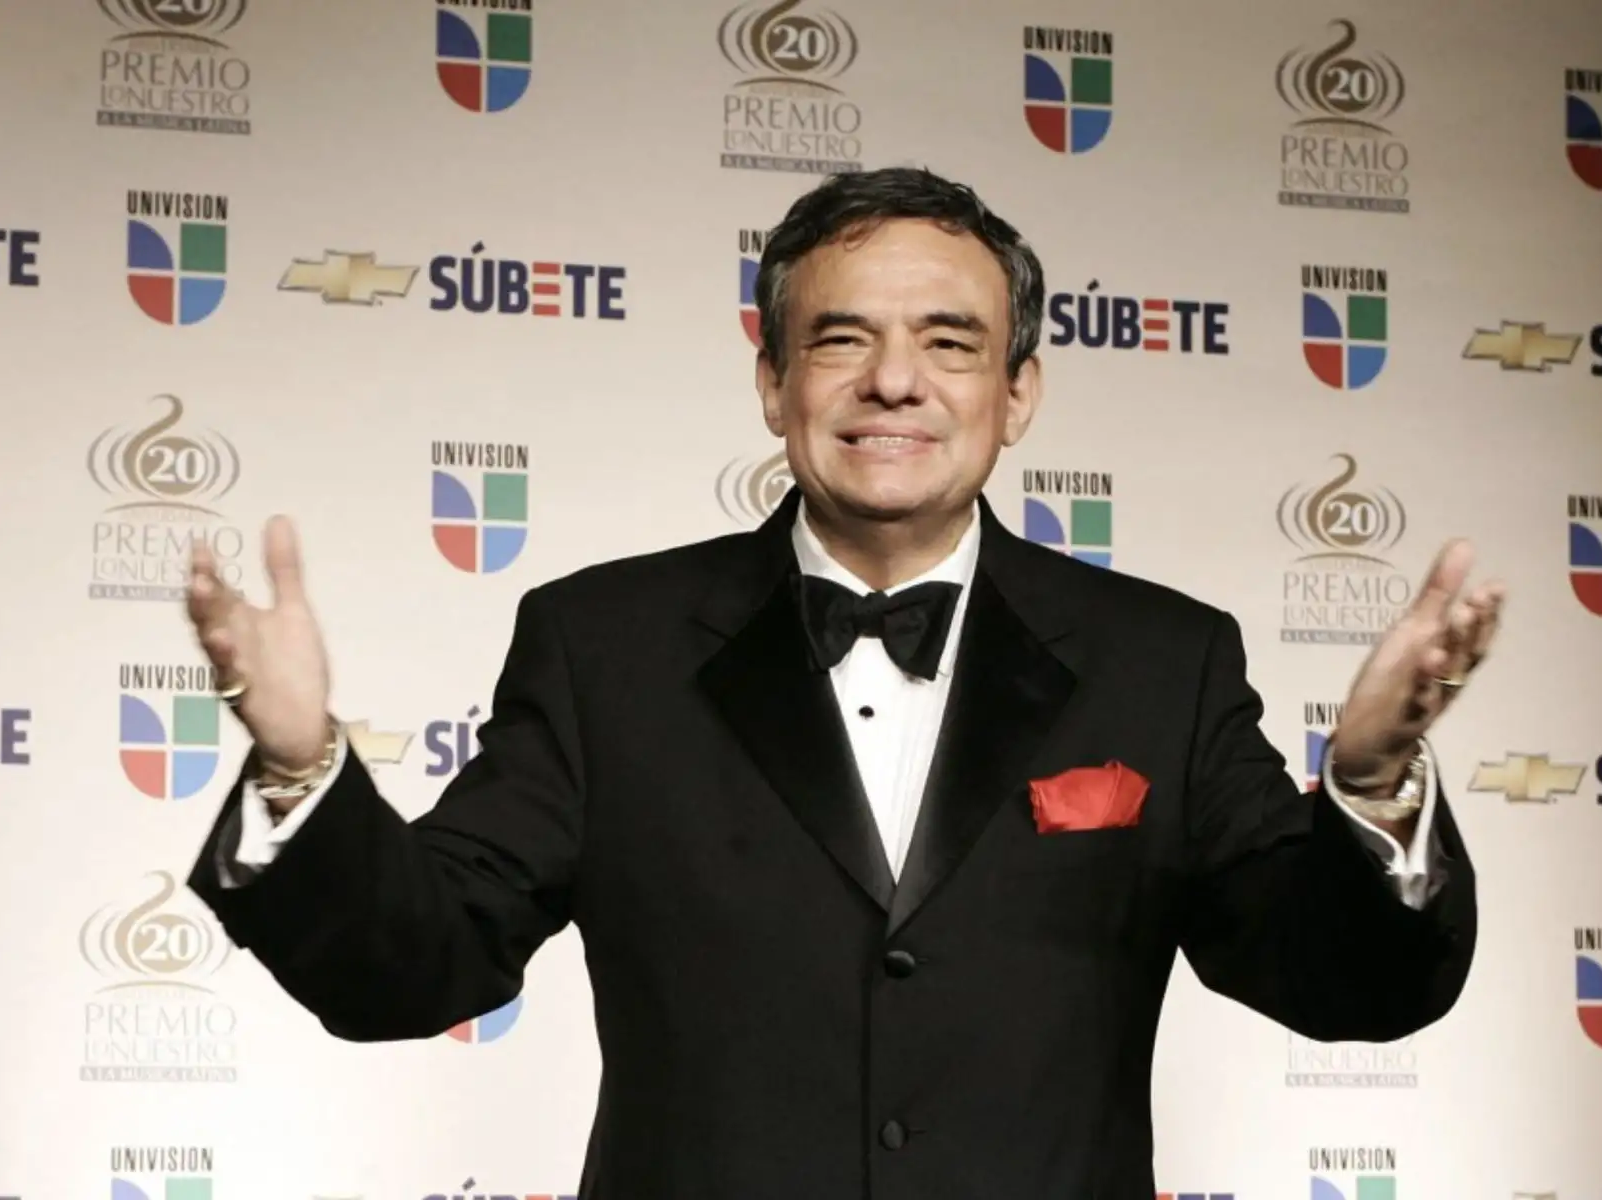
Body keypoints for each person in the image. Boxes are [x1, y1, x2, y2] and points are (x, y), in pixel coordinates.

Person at [183, 166, 1501, 1200]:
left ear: (1020, 390)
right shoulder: (606, 647)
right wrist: (303, 765)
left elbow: (1344, 980)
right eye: (840, 340)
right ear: (771, 382)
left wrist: (1374, 786)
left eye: (951, 340)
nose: (893, 382)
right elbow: (413, 964)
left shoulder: (1161, 661)